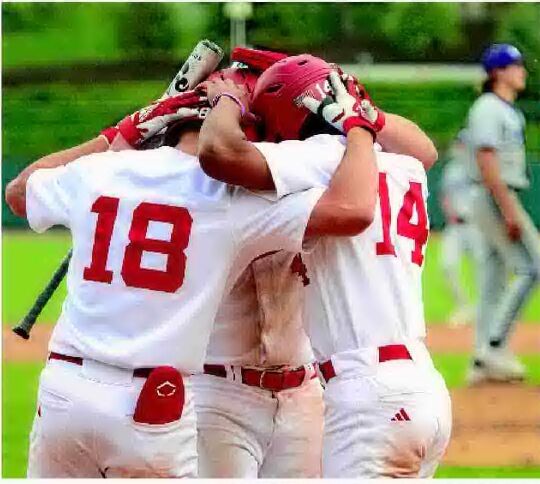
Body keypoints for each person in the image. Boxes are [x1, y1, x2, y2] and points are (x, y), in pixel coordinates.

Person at [5, 79, 381, 477]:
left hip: (63, 390)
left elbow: (19, 191)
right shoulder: (230, 197)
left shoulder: (102, 169)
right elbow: (351, 210)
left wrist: (124, 131)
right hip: (148, 405)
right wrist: (358, 127)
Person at [198, 54, 451, 478]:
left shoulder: (319, 160)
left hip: (366, 395)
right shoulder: (403, 166)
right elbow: (424, 148)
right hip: (422, 388)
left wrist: (228, 101)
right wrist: (351, 108)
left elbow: (221, 154)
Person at [464, 43, 539, 384]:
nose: (522, 70)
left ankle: (482, 361)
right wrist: (509, 211)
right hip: (496, 194)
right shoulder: (488, 108)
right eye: (515, 65)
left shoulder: (505, 109)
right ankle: (494, 346)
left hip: (496, 195)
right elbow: (486, 160)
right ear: (498, 72)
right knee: (531, 266)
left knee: (494, 279)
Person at [439, 129, 481, 326]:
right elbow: (444, 195)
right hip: (455, 226)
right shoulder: (452, 168)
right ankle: (464, 307)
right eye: (460, 143)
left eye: (464, 143)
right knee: (447, 266)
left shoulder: (479, 167)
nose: (460, 146)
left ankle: (485, 310)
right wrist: (449, 212)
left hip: (476, 227)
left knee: (482, 270)